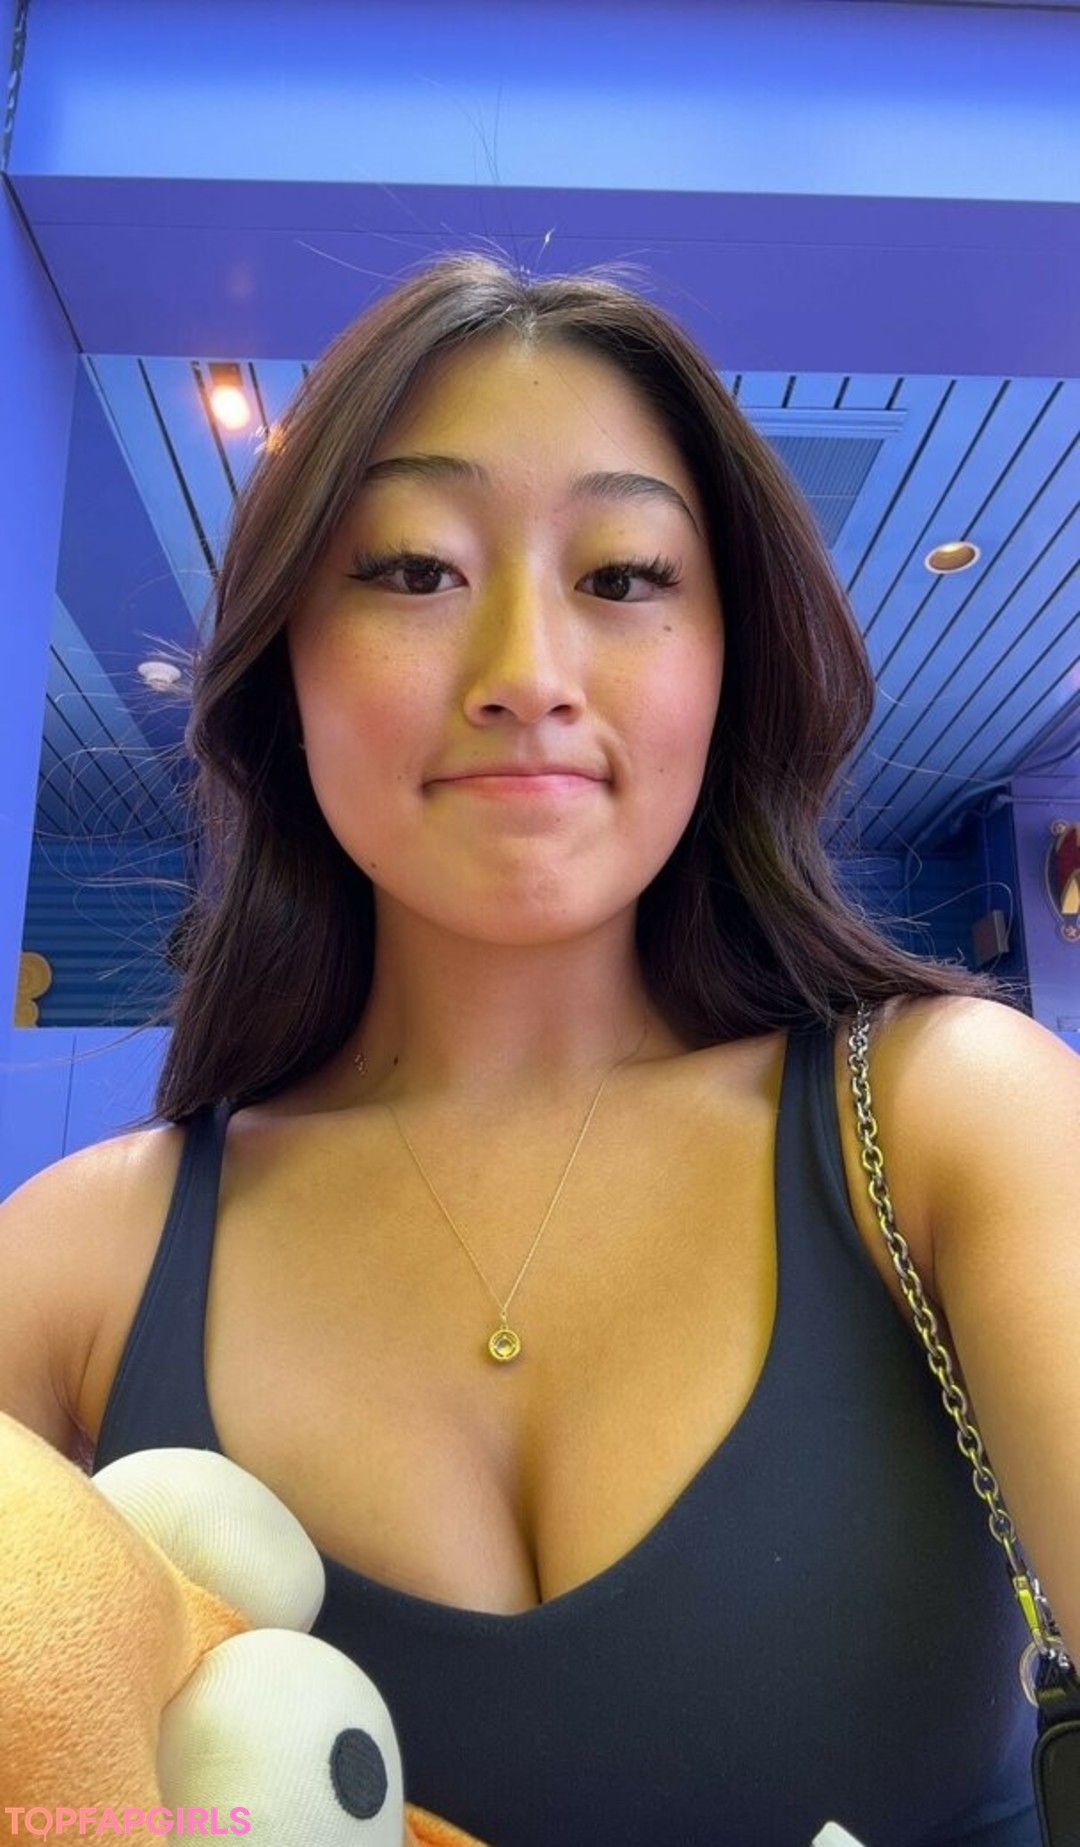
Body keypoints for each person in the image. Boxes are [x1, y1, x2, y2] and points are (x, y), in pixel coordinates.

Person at [2, 255, 1077, 1847]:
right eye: (412, 569)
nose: (524, 674)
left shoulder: (953, 1124)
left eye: (626, 576)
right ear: (287, 657)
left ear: (730, 659)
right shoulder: (74, 1271)